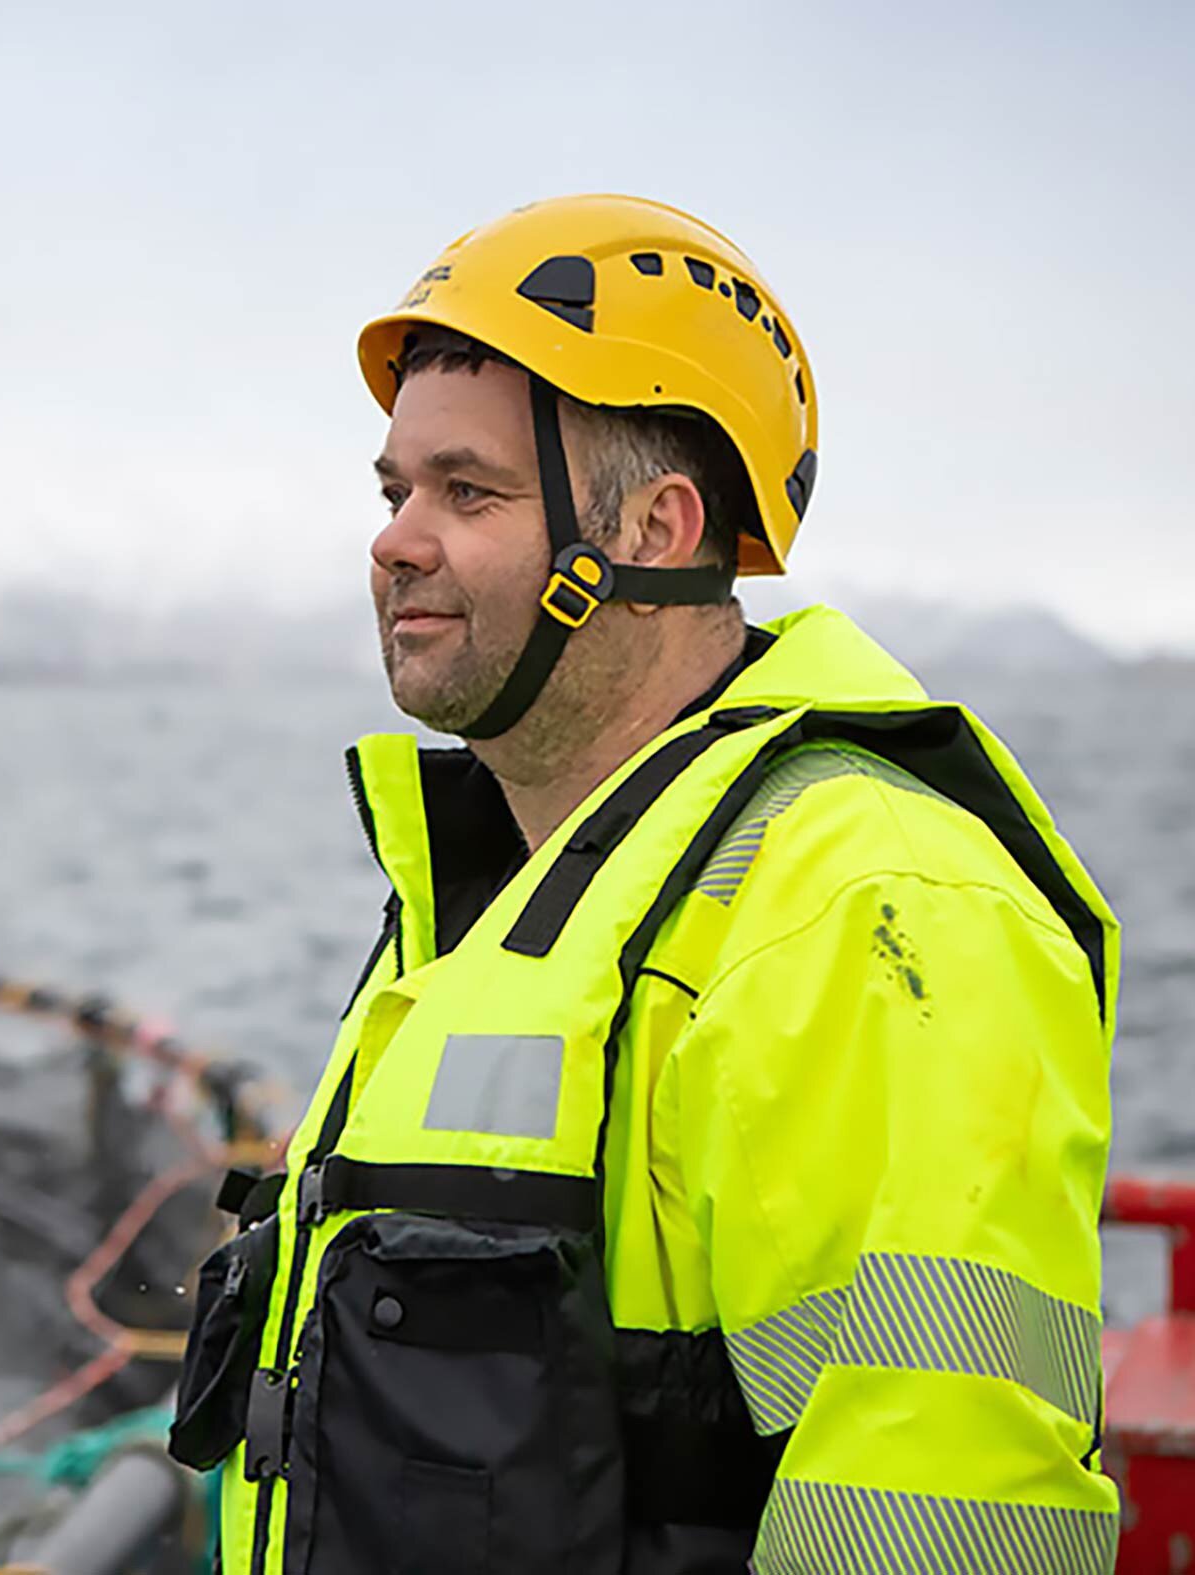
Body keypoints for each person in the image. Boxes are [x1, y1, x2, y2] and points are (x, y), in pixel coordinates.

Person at [170, 194, 1118, 1574]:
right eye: (394, 493)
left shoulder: (862, 905)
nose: (394, 541)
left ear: (661, 529)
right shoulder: (506, 891)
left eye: (467, 491)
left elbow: (942, 1516)